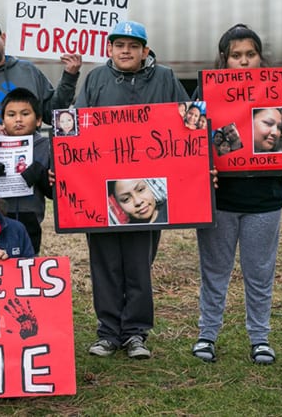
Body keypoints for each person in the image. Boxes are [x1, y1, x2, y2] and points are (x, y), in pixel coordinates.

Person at [74, 20, 190, 359]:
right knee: (105, 262)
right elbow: (78, 130)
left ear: (145, 50)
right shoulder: (95, 79)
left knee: (139, 263)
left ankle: (136, 333)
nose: (126, 51)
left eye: (133, 45)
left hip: (146, 188)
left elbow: (188, 122)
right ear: (109, 49)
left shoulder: (166, 78)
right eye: (119, 45)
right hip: (102, 189)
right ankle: (108, 332)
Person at [193, 23, 282, 365]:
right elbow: (187, 140)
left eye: (250, 55)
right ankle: (207, 334)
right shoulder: (204, 93)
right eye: (236, 56)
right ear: (224, 60)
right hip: (219, 200)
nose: (243, 62)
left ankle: (260, 338)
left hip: (265, 199)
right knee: (214, 272)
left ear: (261, 58)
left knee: (259, 273)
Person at [0, 87, 52, 253]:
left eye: (25, 114)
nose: (18, 120)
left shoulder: (46, 147)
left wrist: (41, 176)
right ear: (2, 120)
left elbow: (55, 192)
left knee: (26, 265)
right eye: (11, 115)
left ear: (38, 120)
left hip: (30, 219)